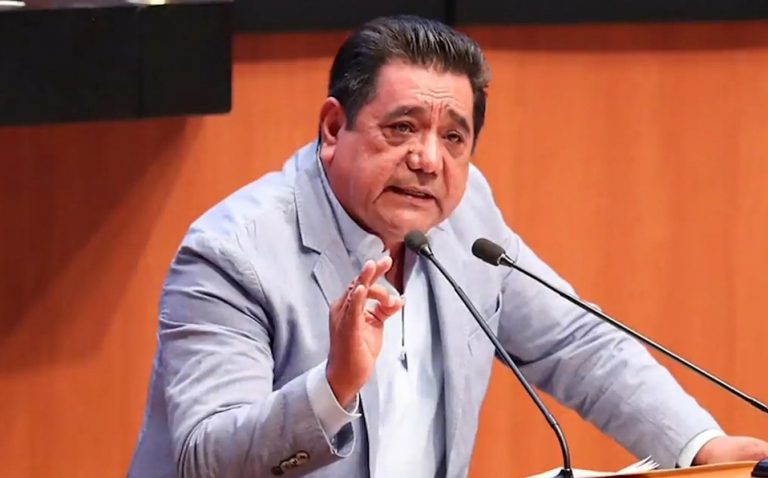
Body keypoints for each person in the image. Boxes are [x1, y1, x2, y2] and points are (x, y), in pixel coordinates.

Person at [128, 15, 768, 478]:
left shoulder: (464, 216)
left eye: (454, 138)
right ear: (333, 128)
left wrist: (699, 446)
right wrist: (332, 388)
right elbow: (202, 458)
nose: (428, 160)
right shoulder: (232, 254)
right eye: (402, 128)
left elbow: (575, 344)